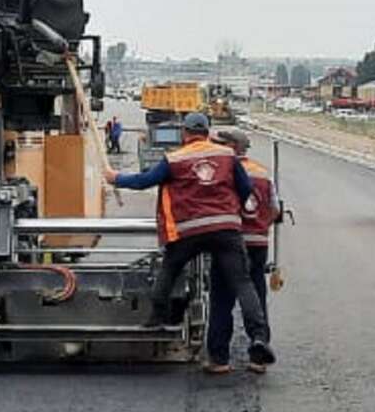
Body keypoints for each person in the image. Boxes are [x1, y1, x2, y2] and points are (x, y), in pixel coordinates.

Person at [104, 111, 274, 374]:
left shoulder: (174, 158)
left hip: (188, 230)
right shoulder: (227, 157)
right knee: (243, 283)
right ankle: (259, 337)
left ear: (184, 133)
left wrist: (116, 178)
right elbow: (245, 191)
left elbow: (144, 181)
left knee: (170, 269)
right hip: (225, 229)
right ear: (207, 132)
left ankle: (157, 319)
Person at [207, 128, 278, 372]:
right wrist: (260, 226)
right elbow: (274, 209)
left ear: (232, 147)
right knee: (257, 297)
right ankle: (259, 356)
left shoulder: (221, 171)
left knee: (221, 300)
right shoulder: (263, 173)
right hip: (258, 243)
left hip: (229, 242)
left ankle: (219, 359)